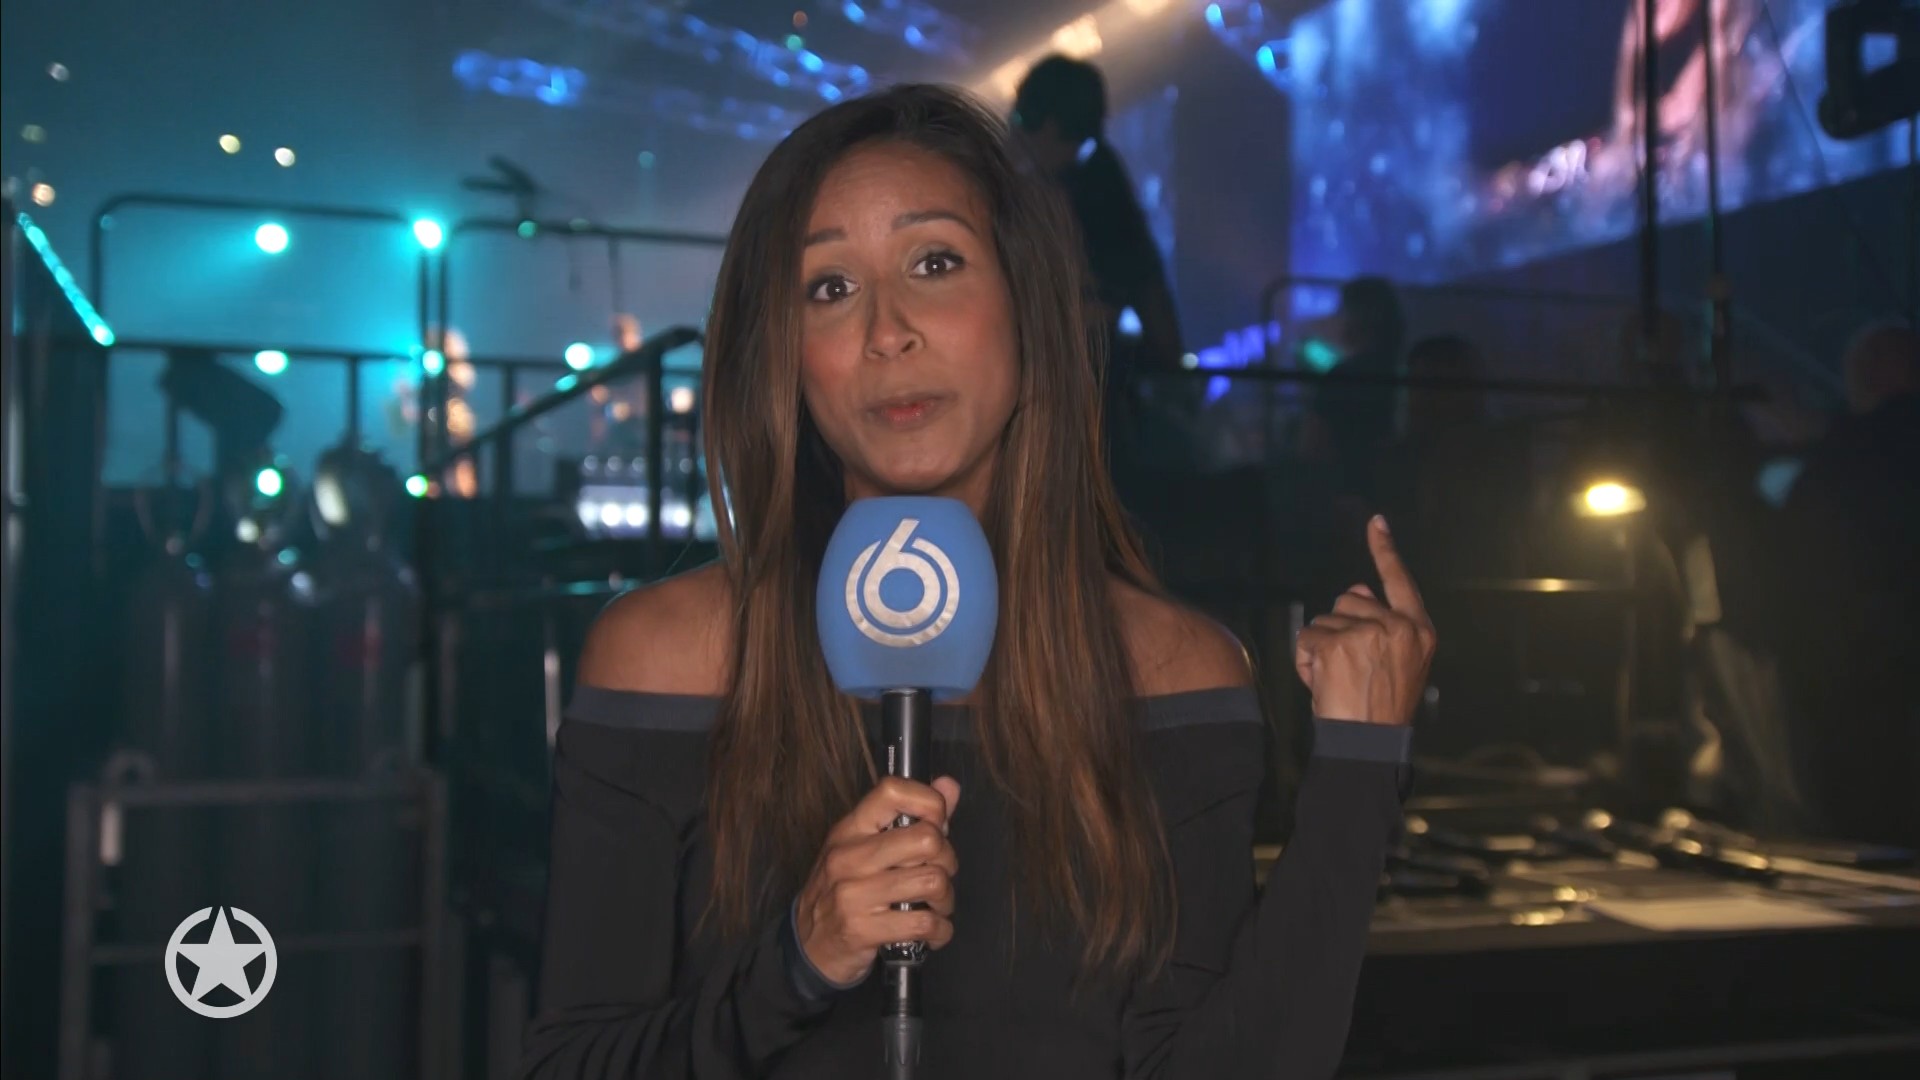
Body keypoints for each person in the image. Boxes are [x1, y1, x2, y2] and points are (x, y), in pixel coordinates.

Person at [515, 84, 1433, 1079]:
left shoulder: (1176, 666)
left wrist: (1359, 766)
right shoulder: (667, 655)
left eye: (935, 263)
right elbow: (571, 1065)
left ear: (1029, 309)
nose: (887, 331)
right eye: (830, 286)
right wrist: (797, 962)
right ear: (785, 353)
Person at [1009, 56, 1195, 478]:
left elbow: (1145, 286)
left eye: (1020, 117)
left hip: (1076, 384)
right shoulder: (1098, 178)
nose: (1011, 130)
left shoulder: (1088, 190)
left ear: (1049, 124)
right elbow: (1149, 287)